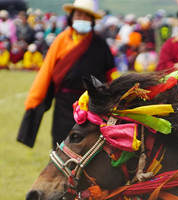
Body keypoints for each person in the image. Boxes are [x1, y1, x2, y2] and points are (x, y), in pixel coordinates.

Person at [17, 0, 115, 148]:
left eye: (86, 16)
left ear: (92, 20)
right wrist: (35, 101)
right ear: (71, 17)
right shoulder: (61, 40)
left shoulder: (101, 44)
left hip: (92, 106)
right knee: (61, 145)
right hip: (64, 105)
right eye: (78, 15)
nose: (81, 19)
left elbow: (111, 76)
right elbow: (47, 72)